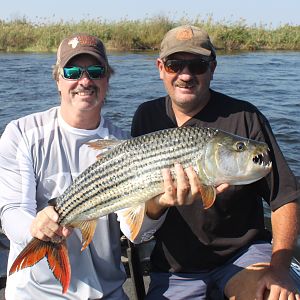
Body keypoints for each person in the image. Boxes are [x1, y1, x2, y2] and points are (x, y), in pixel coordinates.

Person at [130, 25, 300, 299]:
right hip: (176, 268)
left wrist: (279, 270)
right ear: (161, 68)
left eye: (197, 65)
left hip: (242, 257)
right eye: (175, 65)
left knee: (273, 295)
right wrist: (160, 202)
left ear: (213, 68)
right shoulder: (146, 117)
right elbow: (141, 207)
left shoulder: (245, 117)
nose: (186, 75)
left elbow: (285, 197)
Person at [0, 33, 132, 300]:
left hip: (107, 292)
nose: (84, 81)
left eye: (96, 71)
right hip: (35, 294)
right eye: (72, 71)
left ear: (107, 79)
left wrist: (157, 206)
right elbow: (12, 211)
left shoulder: (124, 144)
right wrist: (35, 228)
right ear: (58, 80)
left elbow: (135, 230)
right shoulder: (22, 133)